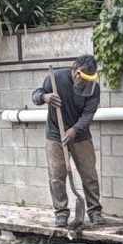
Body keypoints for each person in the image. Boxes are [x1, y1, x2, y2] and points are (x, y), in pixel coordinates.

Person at [31, 53, 103, 231]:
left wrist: (75, 130)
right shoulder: (56, 79)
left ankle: (94, 211)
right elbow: (36, 94)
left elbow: (88, 115)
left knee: (89, 174)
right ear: (76, 72)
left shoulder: (94, 89)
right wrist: (44, 98)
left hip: (80, 135)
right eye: (84, 78)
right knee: (57, 174)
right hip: (56, 134)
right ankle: (61, 213)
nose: (87, 83)